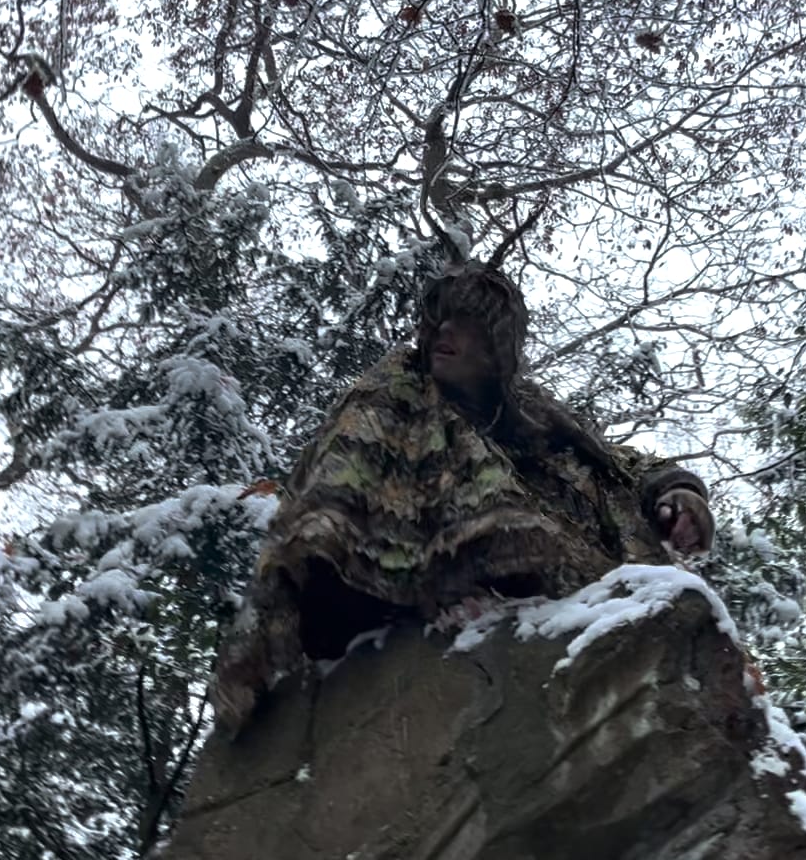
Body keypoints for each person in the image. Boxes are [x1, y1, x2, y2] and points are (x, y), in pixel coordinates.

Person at [212, 262, 714, 733]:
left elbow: (624, 466)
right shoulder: (397, 401)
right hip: (405, 610)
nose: (444, 332)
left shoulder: (540, 420)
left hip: (588, 604)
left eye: (465, 322)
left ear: (497, 344)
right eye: (439, 320)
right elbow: (337, 489)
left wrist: (679, 491)